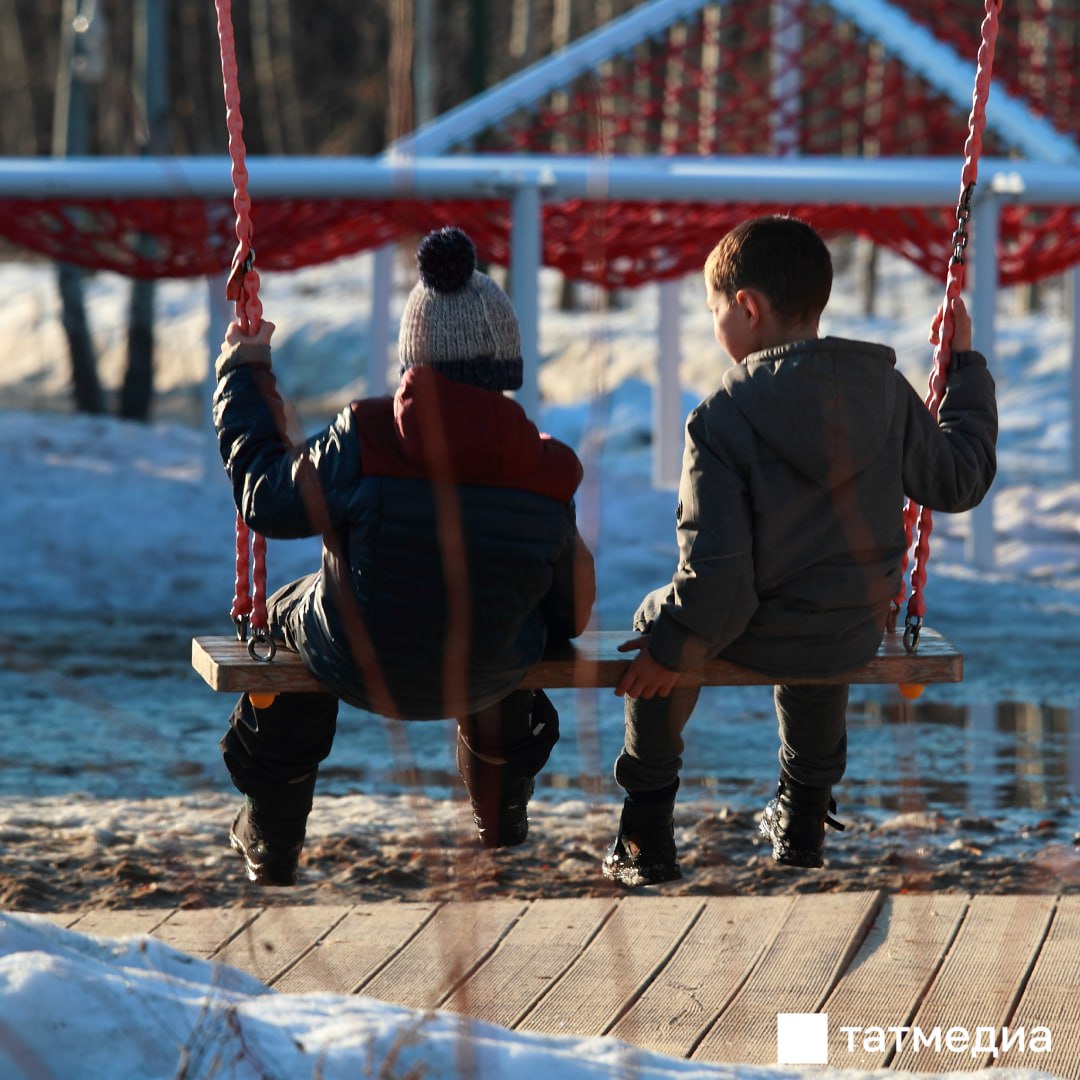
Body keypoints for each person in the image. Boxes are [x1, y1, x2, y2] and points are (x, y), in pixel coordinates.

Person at [602, 215, 997, 885]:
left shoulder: (722, 417)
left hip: (755, 628)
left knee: (656, 626)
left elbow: (717, 578)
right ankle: (804, 812)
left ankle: (646, 827)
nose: (715, 326)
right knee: (824, 599)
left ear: (748, 308)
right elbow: (959, 478)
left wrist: (670, 643)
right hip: (850, 631)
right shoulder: (883, 392)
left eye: (715, 311)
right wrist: (963, 370)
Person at [213, 226, 596, 885]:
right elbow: (569, 611)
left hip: (361, 663)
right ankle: (501, 807)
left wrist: (243, 373)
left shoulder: (365, 436)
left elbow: (268, 501)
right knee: (508, 616)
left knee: (286, 620)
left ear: (413, 359)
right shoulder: (548, 465)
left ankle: (272, 832)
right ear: (505, 364)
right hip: (486, 670)